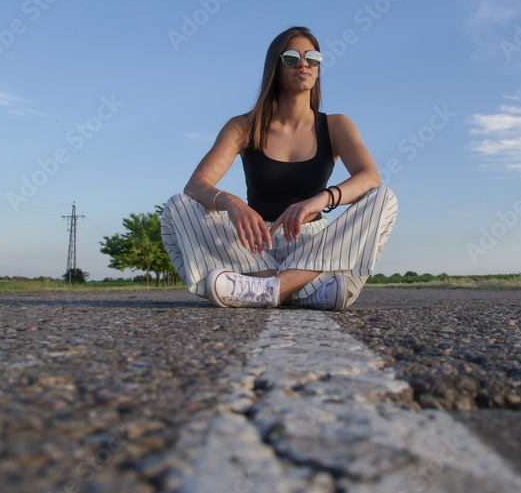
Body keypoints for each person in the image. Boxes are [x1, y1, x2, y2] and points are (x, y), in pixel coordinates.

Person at [160, 26, 397, 310]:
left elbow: (370, 177)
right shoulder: (244, 126)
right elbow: (196, 185)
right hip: (256, 246)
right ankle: (304, 290)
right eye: (291, 58)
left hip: (315, 246)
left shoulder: (335, 125)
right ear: (275, 67)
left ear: (319, 67)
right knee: (178, 206)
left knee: (385, 198)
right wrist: (229, 201)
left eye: (312, 57)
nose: (304, 64)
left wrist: (322, 198)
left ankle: (266, 289)